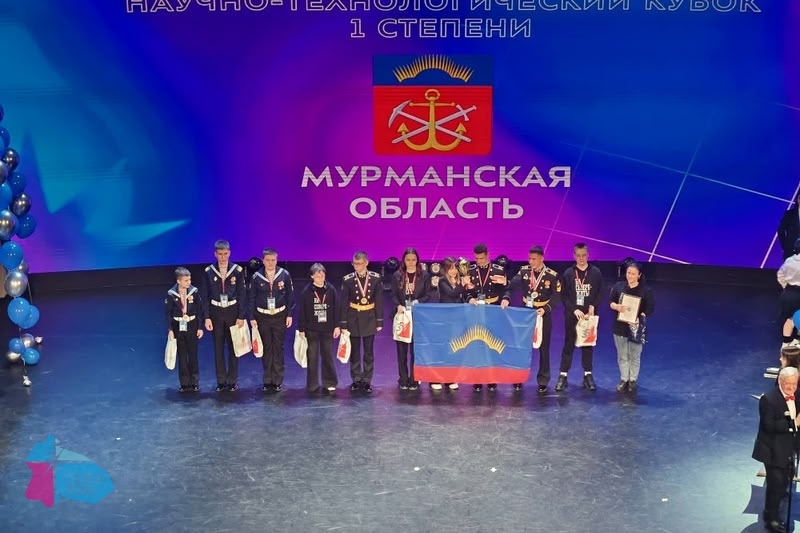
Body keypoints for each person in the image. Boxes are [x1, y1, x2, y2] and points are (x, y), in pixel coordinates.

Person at [501, 246, 561, 393]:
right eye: (530, 259)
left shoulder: (552, 275)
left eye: (534, 259)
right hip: (526, 314)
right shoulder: (524, 271)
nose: (531, 262)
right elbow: (511, 285)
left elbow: (557, 296)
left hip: (542, 314)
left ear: (542, 258)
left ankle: (543, 380)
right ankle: (518, 378)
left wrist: (546, 308)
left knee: (544, 348)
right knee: (522, 347)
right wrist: (506, 294)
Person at [753, 366, 800, 533]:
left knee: (785, 479)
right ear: (780, 381)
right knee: (775, 484)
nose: (791, 387)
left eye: (794, 384)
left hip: (789, 447)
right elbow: (769, 425)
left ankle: (779, 496)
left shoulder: (798, 394)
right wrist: (794, 423)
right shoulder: (768, 399)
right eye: (788, 384)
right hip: (772, 449)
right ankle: (770, 517)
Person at [556, 242, 604, 392]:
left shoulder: (595, 272)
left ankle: (587, 375)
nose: (581, 258)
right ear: (574, 256)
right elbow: (563, 295)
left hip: (589, 315)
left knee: (587, 345)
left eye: (584, 255)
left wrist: (593, 305)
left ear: (588, 255)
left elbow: (600, 292)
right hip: (573, 315)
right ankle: (563, 376)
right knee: (568, 344)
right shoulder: (568, 273)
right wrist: (574, 309)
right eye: (578, 255)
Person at [200, 240, 246, 392]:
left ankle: (232, 381)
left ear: (229, 253)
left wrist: (241, 316)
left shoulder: (237, 271)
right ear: (215, 254)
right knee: (218, 348)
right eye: (220, 254)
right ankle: (221, 381)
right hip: (216, 313)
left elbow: (242, 294)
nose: (223, 257)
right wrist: (207, 317)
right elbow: (205, 296)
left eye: (225, 254)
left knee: (234, 348)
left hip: (233, 312)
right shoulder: (209, 271)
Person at [247, 248, 295, 392]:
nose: (270, 263)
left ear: (276, 260)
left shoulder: (284, 274)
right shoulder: (256, 277)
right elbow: (251, 298)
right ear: (263, 261)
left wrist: (289, 314)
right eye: (267, 260)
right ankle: (268, 380)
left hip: (280, 316)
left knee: (278, 348)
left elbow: (290, 296)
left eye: (273, 260)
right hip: (263, 317)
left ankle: (278, 380)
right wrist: (252, 317)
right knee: (266, 348)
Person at [463, 243, 509, 393]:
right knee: (476, 344)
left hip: (492, 310)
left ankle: (491, 378)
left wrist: (505, 298)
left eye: (481, 258)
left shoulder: (498, 270)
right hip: (476, 310)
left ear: (488, 255)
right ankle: (477, 378)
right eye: (476, 258)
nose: (479, 261)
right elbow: (464, 291)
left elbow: (506, 290)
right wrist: (469, 298)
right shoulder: (470, 271)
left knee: (491, 345)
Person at [391, 247, 435, 391]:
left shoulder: (424, 275)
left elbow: (428, 294)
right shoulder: (397, 275)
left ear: (417, 260)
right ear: (403, 260)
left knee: (416, 350)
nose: (410, 262)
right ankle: (403, 379)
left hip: (417, 316)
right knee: (402, 350)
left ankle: (415, 379)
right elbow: (393, 294)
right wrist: (398, 305)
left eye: (413, 259)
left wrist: (418, 301)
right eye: (408, 260)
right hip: (402, 316)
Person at [340, 251, 384, 393]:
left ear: (366, 263)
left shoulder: (376, 278)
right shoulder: (347, 280)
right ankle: (356, 379)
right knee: (354, 352)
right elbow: (344, 303)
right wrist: (343, 323)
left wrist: (379, 321)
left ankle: (367, 380)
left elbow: (379, 301)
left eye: (359, 264)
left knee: (368, 353)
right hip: (353, 318)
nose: (356, 266)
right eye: (354, 264)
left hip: (370, 318)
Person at [609, 261, 655, 393]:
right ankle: (624, 379)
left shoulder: (646, 291)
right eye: (628, 273)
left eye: (633, 274)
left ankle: (633, 380)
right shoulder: (618, 287)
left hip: (636, 328)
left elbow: (650, 308)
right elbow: (610, 302)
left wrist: (639, 318)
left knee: (635, 355)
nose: (630, 276)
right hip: (620, 327)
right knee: (622, 355)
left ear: (639, 275)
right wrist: (616, 306)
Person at [297, 263, 341, 393]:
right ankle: (313, 384)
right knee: (312, 357)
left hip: (327, 329)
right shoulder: (306, 292)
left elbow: (336, 309)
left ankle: (330, 382)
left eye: (322, 275)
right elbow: (302, 311)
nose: (320, 278)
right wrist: (301, 328)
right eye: (317, 276)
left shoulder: (331, 289)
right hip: (312, 330)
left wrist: (337, 326)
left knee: (327, 356)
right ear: (312, 277)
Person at [165, 267, 205, 392]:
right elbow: (168, 313)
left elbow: (200, 310)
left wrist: (200, 327)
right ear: (178, 281)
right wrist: (170, 329)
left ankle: (194, 382)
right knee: (182, 356)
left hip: (192, 325)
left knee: (193, 355)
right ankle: (184, 383)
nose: (189, 282)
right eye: (186, 280)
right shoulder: (171, 294)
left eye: (190, 280)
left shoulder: (194, 291)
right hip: (178, 327)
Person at [432, 256, 465, 391]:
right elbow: (451, 293)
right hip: (444, 320)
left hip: (457, 319)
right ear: (445, 270)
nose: (454, 271)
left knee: (454, 348)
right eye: (450, 269)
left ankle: (450, 378)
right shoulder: (442, 281)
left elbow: (462, 297)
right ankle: (436, 378)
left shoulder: (458, 280)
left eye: (455, 268)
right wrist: (462, 285)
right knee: (442, 348)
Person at [777, 238, 800, 348]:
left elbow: (780, 275)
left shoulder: (789, 260)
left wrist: (786, 287)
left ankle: (785, 343)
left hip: (788, 293)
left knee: (788, 318)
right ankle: (797, 341)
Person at [778, 192, 800, 259]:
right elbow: (781, 231)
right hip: (790, 252)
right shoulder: (789, 214)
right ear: (798, 199)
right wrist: (785, 247)